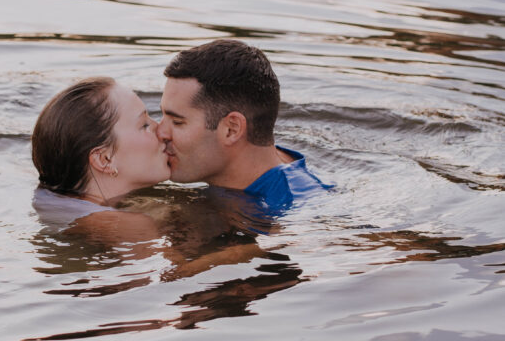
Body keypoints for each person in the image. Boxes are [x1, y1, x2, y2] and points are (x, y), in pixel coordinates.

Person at [158, 39, 330, 215]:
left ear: (232, 129)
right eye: (162, 116)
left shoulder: (292, 214)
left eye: (177, 122)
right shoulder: (271, 168)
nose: (159, 132)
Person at [32, 77, 170, 226]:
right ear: (105, 159)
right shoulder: (125, 225)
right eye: (144, 125)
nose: (162, 130)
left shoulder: (52, 202)